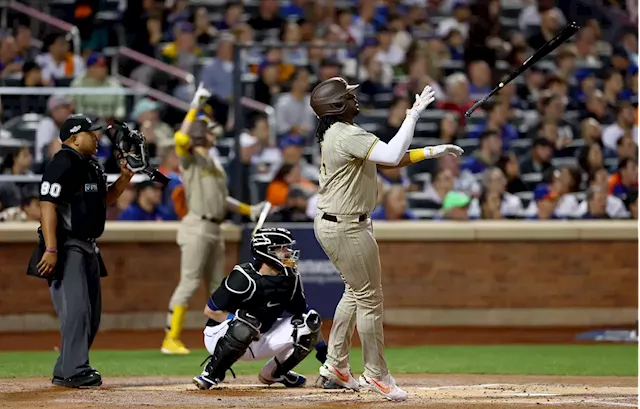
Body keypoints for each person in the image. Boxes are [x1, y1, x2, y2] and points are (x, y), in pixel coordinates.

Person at [309, 77, 462, 401]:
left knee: (356, 292)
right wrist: (414, 114)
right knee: (369, 298)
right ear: (336, 105)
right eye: (349, 96)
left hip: (338, 222)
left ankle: (336, 366)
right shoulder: (345, 134)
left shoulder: (338, 133)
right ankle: (376, 375)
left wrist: (432, 151)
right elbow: (392, 156)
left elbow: (390, 157)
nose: (355, 99)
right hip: (346, 226)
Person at [28, 114, 132, 387]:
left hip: (89, 246)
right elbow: (47, 205)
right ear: (74, 138)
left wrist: (123, 180)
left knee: (92, 313)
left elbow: (102, 200)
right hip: (67, 245)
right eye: (91, 133)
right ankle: (74, 369)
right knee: (77, 311)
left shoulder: (91, 166)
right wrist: (51, 248)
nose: (96, 137)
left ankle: (66, 368)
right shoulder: (62, 163)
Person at [162, 85, 267, 355]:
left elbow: (223, 199)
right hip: (196, 225)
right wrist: (195, 106)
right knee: (189, 282)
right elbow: (180, 140)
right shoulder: (192, 159)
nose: (213, 133)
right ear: (201, 135)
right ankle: (170, 338)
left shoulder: (214, 162)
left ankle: (220, 335)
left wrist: (248, 210)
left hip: (214, 227)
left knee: (218, 286)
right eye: (208, 129)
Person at [192, 228, 326, 389]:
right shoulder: (242, 276)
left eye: (287, 247)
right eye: (281, 248)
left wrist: (324, 353)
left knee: (310, 320)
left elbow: (302, 314)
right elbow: (211, 311)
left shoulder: (291, 278)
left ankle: (275, 373)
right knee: (247, 322)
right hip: (220, 336)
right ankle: (211, 374)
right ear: (266, 252)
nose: (288, 252)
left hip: (261, 336)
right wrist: (240, 323)